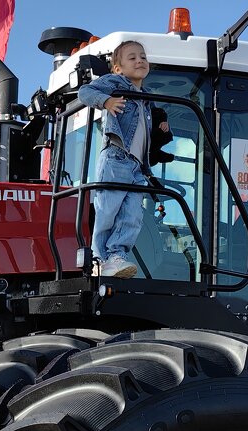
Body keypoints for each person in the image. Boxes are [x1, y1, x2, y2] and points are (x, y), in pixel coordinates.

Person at [77, 41, 169, 278]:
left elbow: (149, 121)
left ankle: (116, 256)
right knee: (108, 210)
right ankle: (98, 259)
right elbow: (85, 92)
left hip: (138, 166)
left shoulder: (146, 97)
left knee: (132, 215)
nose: (140, 61)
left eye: (143, 56)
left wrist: (161, 123)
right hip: (116, 158)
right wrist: (106, 102)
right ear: (117, 68)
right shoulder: (116, 84)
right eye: (132, 58)